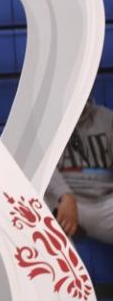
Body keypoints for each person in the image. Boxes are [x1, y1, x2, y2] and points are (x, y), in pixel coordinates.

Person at [45, 97, 113, 244]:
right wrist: (65, 194)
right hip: (66, 200)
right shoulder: (45, 122)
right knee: (42, 201)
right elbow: (41, 164)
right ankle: (63, 257)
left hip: (105, 203)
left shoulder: (107, 118)